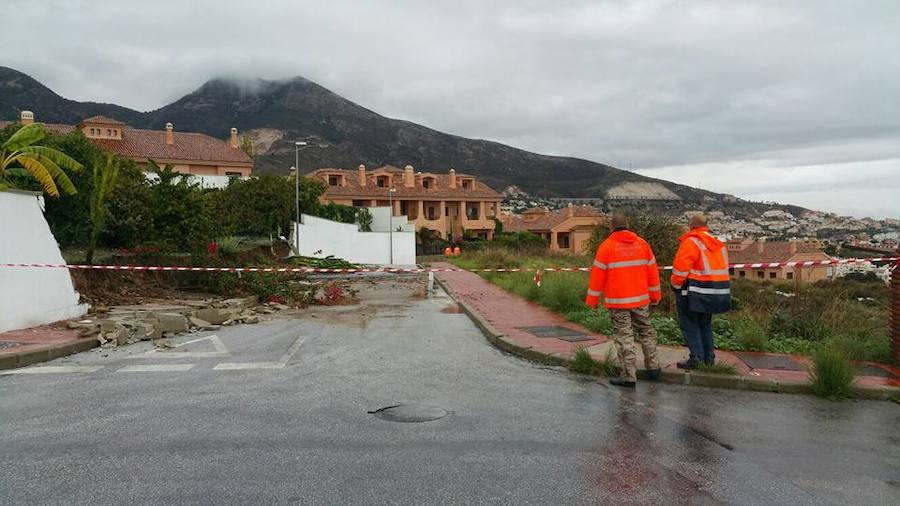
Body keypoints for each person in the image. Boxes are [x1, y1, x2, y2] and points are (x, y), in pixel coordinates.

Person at [585, 214, 662, 388]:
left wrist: (592, 300)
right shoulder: (643, 245)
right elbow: (653, 274)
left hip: (618, 302)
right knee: (647, 332)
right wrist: (655, 296)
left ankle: (628, 376)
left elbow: (597, 277)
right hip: (641, 300)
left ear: (611, 228)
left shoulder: (606, 247)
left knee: (625, 337)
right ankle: (654, 369)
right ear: (627, 226)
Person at [670, 214, 731, 368]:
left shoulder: (691, 242)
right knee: (705, 324)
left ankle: (696, 358)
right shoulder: (718, 244)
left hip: (693, 291)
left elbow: (680, 269)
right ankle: (708, 358)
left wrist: (675, 286)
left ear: (691, 225)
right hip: (715, 292)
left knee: (689, 324)